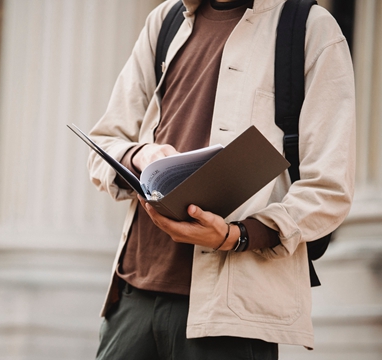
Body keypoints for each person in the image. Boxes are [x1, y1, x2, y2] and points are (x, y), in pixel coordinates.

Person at [87, 0, 356, 358]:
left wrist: (236, 236)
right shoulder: (164, 20)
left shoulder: (311, 28)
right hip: (133, 295)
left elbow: (330, 187)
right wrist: (140, 155)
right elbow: (104, 142)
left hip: (231, 314)